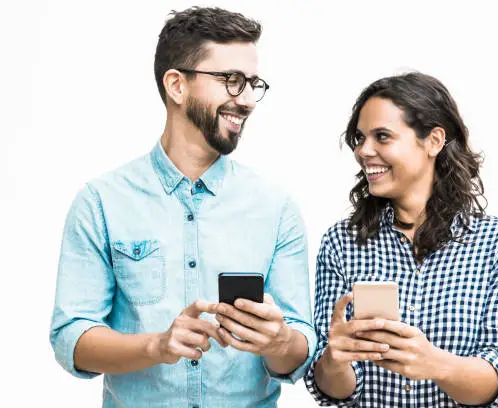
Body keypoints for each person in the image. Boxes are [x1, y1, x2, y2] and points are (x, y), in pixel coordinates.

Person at [49, 7, 315, 407]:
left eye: (252, 83)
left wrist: (280, 341)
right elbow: (72, 338)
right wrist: (156, 345)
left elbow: (298, 353)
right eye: (231, 81)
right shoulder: (102, 202)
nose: (246, 100)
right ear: (176, 85)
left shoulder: (276, 208)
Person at [304, 72, 498, 407]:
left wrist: (435, 364)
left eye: (382, 136)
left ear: (434, 141)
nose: (364, 151)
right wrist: (334, 361)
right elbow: (333, 388)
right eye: (360, 138)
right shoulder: (341, 242)